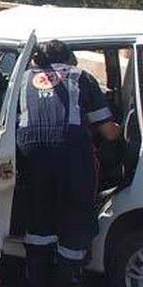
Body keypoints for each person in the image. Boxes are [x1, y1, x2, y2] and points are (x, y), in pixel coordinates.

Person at [17, 40, 120, 287]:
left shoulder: (20, 78)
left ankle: (37, 279)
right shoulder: (81, 76)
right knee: (75, 217)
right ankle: (68, 278)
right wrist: (121, 129)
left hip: (30, 155)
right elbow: (108, 133)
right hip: (72, 156)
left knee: (38, 218)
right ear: (70, 57)